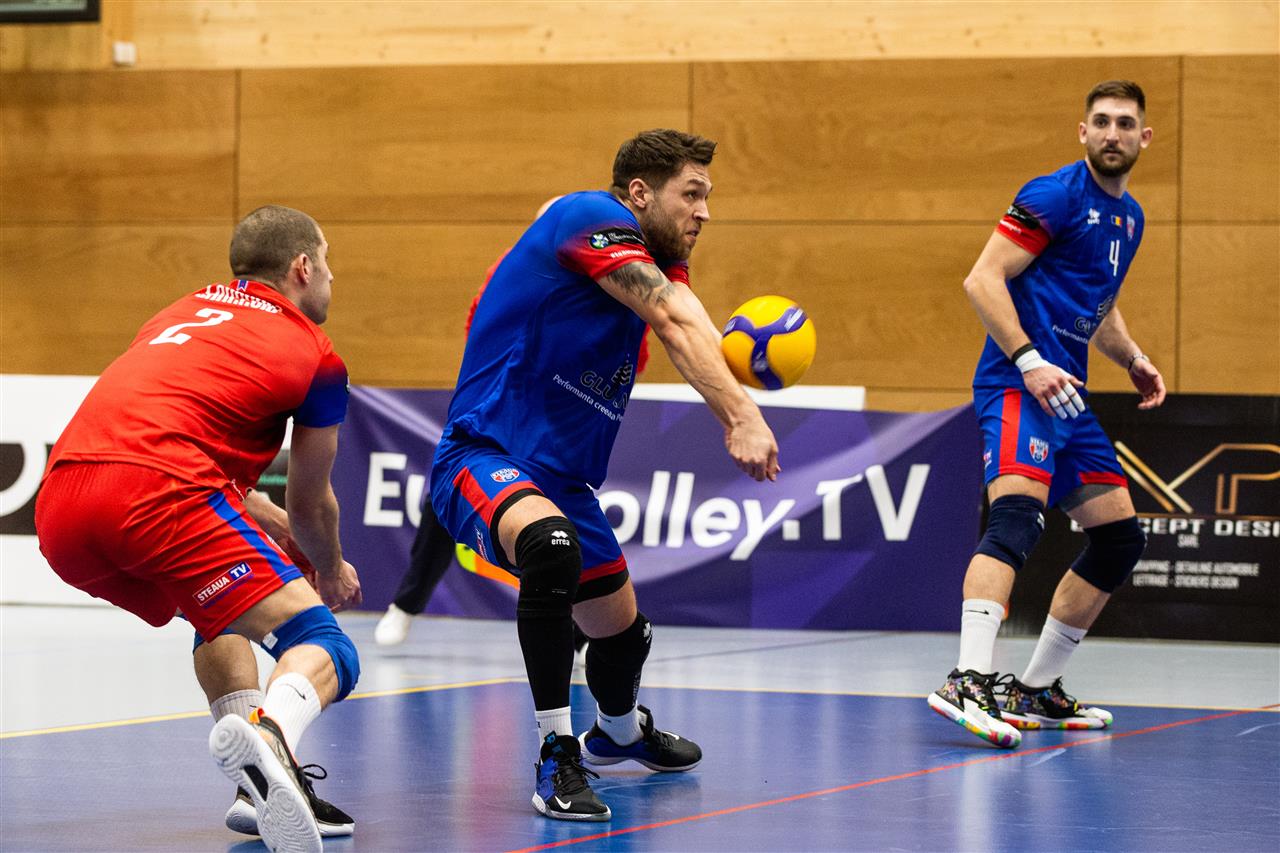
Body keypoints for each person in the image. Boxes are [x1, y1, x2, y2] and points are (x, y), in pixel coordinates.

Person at [430, 129, 780, 821]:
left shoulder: (662, 265)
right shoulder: (588, 216)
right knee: (551, 548)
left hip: (564, 481)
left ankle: (618, 731)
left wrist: (739, 361)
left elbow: (688, 322)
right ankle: (556, 755)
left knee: (624, 635)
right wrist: (741, 416)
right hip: (484, 453)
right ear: (639, 193)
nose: (705, 211)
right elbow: (672, 320)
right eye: (692, 194)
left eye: (708, 196)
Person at [35, 205, 363, 853]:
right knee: (325, 642)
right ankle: (272, 739)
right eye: (328, 261)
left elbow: (188, 448)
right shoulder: (316, 353)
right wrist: (329, 567)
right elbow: (308, 502)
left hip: (63, 506)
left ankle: (256, 789)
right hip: (159, 492)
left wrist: (266, 522)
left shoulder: (175, 315)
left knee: (218, 612)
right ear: (303, 267)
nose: (332, 276)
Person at [927, 81, 1166, 749]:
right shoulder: (1054, 195)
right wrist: (1029, 359)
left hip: (1068, 396)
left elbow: (1098, 303)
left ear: (1144, 138)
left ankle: (1034, 689)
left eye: (1125, 124)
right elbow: (982, 278)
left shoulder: (1131, 218)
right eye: (1101, 122)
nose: (1113, 133)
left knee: (1120, 539)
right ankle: (967, 680)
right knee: (1016, 519)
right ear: (1082, 132)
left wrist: (1132, 357)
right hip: (1017, 383)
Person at [375, 203, 649, 653]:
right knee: (450, 500)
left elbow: (630, 357)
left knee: (561, 524)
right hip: (499, 408)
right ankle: (406, 604)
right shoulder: (513, 269)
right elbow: (483, 330)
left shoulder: (616, 279)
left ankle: (581, 636)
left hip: (563, 424)